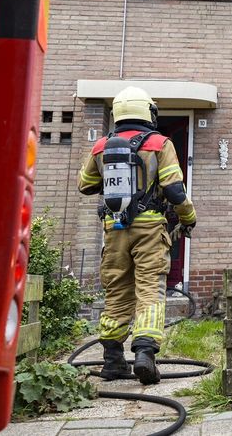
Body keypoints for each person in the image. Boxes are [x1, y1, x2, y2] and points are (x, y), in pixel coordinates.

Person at [77, 86, 196, 384]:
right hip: (149, 228)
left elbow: (86, 184)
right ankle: (145, 353)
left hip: (114, 229)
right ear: (148, 112)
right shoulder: (160, 143)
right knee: (150, 289)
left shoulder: (101, 146)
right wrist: (188, 217)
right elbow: (174, 189)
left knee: (116, 291)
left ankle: (112, 361)